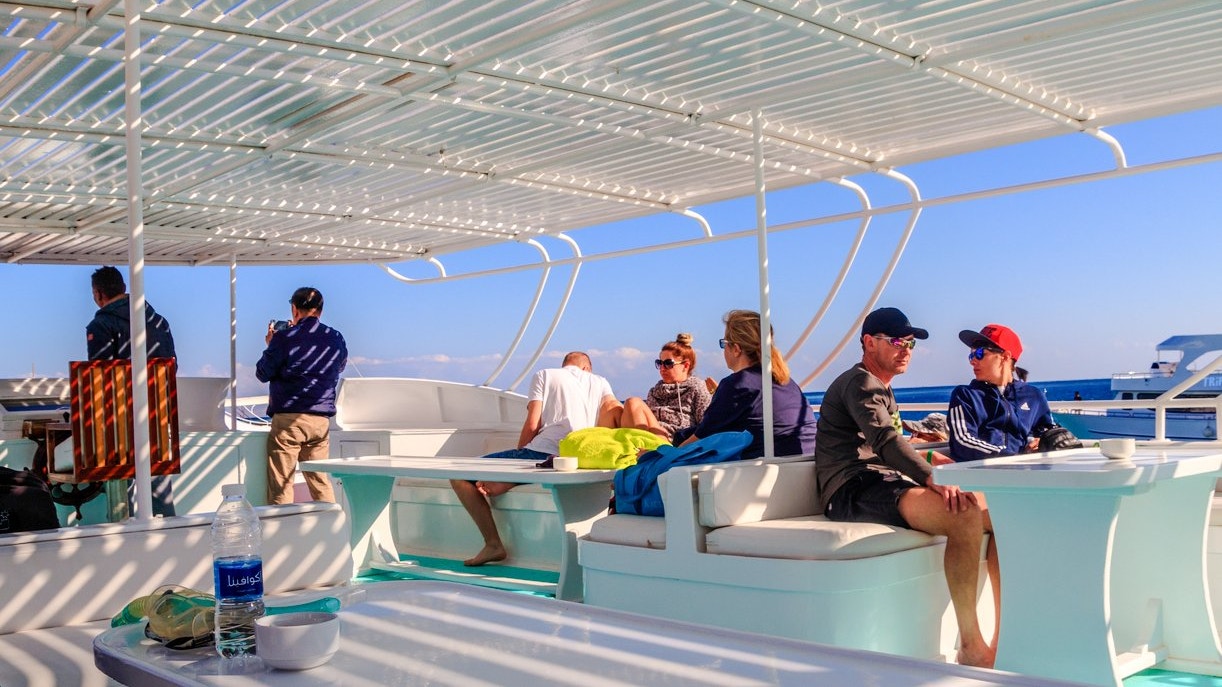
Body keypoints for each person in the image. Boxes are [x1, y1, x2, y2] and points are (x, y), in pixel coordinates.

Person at [814, 307, 996, 668]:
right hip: (851, 488)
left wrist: (933, 463)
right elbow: (884, 441)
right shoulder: (861, 382)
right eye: (897, 341)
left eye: (910, 343)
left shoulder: (880, 386)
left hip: (880, 481)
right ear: (868, 342)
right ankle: (971, 645)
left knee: (998, 513)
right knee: (963, 515)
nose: (906, 349)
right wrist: (931, 477)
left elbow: (891, 442)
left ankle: (1004, 632)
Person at [451, 351, 620, 566]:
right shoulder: (600, 381)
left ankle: (493, 544)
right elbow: (613, 413)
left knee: (458, 475)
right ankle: (506, 482)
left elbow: (533, 423)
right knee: (530, 467)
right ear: (587, 367)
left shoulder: (545, 374)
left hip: (542, 453)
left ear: (564, 365)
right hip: (576, 458)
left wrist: (520, 460)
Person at [87, 265, 177, 517]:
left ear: (98, 294)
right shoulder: (159, 322)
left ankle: (123, 538)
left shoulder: (101, 324)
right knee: (159, 488)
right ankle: (168, 537)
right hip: (157, 413)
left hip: (121, 418)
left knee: (120, 492)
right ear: (124, 289)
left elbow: (100, 376)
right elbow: (171, 367)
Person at [672, 310, 816, 459]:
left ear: (736, 349)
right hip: (807, 464)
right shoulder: (786, 381)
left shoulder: (737, 384)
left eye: (724, 343)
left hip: (767, 472)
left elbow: (697, 442)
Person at [255, 287, 347, 505]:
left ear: (294, 309)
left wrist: (271, 345)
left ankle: (282, 533)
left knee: (282, 485)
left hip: (289, 420)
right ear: (320, 311)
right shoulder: (335, 338)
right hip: (320, 422)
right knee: (320, 481)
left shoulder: (284, 339)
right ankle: (330, 529)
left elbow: (262, 373)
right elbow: (339, 367)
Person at [948, 324, 1060, 462]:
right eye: (971, 355)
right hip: (982, 476)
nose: (973, 361)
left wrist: (1042, 441)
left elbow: (1049, 432)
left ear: (1005, 356)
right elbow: (962, 442)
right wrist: (1010, 458)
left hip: (1026, 474)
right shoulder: (965, 395)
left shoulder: (1033, 396)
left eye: (980, 353)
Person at [618, 333, 712, 440]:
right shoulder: (654, 392)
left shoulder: (696, 388)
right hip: (651, 436)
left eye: (668, 363)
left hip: (674, 441)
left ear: (685, 366)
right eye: (660, 363)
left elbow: (707, 426)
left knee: (633, 402)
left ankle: (642, 450)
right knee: (614, 406)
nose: (662, 368)